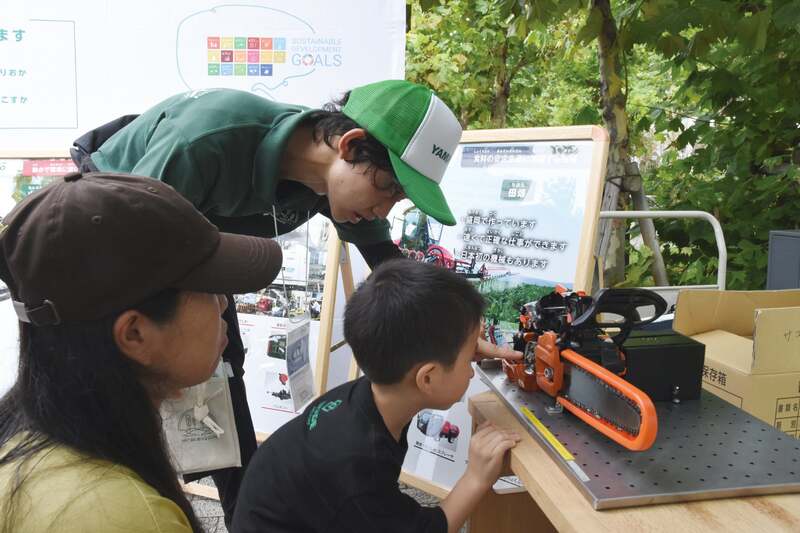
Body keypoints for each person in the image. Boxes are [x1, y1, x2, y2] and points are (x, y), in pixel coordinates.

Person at [70, 80, 522, 523]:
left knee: (225, 363)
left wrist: (452, 338)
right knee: (135, 378)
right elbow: (121, 234)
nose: (385, 211)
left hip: (194, 243)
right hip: (119, 225)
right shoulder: (206, 142)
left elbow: (388, 265)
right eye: (390, 191)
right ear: (350, 145)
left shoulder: (329, 181)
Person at [0, 171, 282, 532]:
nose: (224, 304)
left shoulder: (27, 445)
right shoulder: (126, 517)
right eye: (209, 289)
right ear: (135, 334)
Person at [231, 259, 520, 533]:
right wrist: (476, 477)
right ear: (427, 378)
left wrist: (458, 347)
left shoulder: (364, 398)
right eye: (470, 356)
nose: (472, 368)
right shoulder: (359, 469)